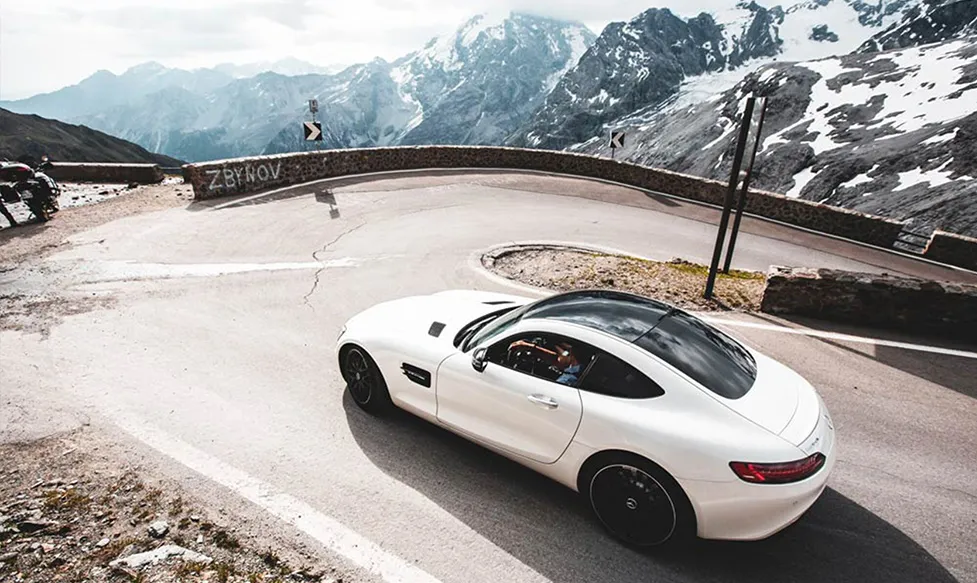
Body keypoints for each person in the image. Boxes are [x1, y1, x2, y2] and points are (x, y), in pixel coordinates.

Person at [507, 339, 582, 385]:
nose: (557, 354)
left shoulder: (566, 381)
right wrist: (532, 348)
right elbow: (556, 359)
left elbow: (557, 360)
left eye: (558, 352)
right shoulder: (581, 368)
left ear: (570, 354)